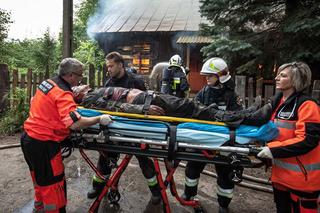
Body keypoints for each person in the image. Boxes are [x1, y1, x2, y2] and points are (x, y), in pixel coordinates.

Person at [20, 58, 112, 213]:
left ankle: (39, 206)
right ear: (70, 75)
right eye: (79, 76)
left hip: (28, 138)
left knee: (39, 178)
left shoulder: (47, 83)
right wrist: (99, 118)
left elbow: (36, 102)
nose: (80, 80)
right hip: (45, 144)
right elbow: (75, 123)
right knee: (53, 185)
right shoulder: (63, 93)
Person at [87, 52, 162, 205]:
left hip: (134, 128)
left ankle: (156, 192)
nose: (109, 69)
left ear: (121, 65)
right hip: (115, 127)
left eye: (111, 66)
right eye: (107, 66)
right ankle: (98, 187)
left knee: (144, 160)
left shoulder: (136, 82)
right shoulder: (109, 83)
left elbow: (145, 104)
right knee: (105, 158)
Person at [182, 57, 247, 213]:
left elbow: (237, 117)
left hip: (224, 141)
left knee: (225, 174)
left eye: (210, 76)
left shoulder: (232, 96)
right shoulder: (204, 91)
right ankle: (189, 194)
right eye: (206, 76)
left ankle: (223, 204)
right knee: (192, 168)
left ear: (221, 76)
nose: (207, 79)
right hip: (204, 139)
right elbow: (195, 110)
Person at [257, 62, 320, 213]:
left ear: (296, 80)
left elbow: (307, 139)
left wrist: (271, 150)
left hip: (303, 181)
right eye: (278, 74)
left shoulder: (307, 105)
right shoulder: (279, 104)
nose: (277, 78)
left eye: (283, 76)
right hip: (280, 177)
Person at [73, 85, 271, 127]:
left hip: (151, 97)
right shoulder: (89, 100)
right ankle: (250, 118)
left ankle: (244, 114)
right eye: (78, 85)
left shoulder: (94, 91)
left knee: (195, 108)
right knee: (195, 109)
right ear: (77, 94)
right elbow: (115, 108)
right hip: (147, 103)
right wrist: (143, 109)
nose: (83, 83)